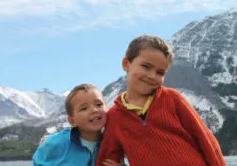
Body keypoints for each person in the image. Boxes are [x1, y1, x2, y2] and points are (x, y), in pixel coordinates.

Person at [96, 35, 226, 166]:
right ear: (126, 64)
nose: (152, 76)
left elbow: (206, 140)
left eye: (160, 73)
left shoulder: (172, 98)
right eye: (146, 66)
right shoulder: (114, 117)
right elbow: (107, 159)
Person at [33, 84, 122, 166]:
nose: (94, 110)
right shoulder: (55, 144)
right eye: (84, 108)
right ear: (72, 121)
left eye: (99, 104)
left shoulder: (113, 144)